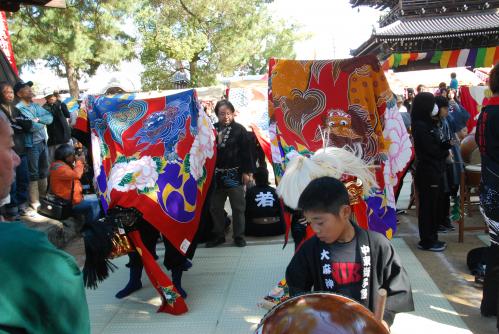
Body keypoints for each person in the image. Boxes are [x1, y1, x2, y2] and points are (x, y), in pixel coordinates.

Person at [0, 112, 90, 333]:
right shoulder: (31, 254)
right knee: (94, 208)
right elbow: (77, 175)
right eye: (10, 146)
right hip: (68, 206)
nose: (17, 158)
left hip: (71, 202)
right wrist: (80, 164)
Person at [285, 176, 414, 327]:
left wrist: (385, 319)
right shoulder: (311, 248)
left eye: (320, 222)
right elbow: (296, 285)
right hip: (328, 327)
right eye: (310, 222)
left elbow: (397, 286)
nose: (315, 229)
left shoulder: (377, 245)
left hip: (369, 326)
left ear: (345, 212)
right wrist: (307, 314)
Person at [207, 100, 254, 248]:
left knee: (238, 207)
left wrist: (247, 172)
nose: (226, 116)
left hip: (235, 174)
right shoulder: (211, 130)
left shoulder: (240, 130)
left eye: (228, 113)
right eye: (222, 114)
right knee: (215, 207)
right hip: (217, 176)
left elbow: (248, 153)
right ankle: (219, 235)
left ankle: (238, 236)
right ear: (217, 115)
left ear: (233, 113)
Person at [411, 92, 452, 251]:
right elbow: (430, 150)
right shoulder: (421, 126)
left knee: (434, 205)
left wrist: (444, 146)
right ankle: (427, 240)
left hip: (435, 169)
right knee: (428, 206)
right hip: (428, 171)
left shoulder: (428, 124)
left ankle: (432, 237)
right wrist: (444, 150)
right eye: (431, 103)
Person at [475, 63, 499, 328]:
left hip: (491, 188)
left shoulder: (486, 112)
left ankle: (489, 304)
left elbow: (482, 147)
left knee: (496, 248)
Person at [14, 80, 53, 211]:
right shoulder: (19, 108)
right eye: (27, 89)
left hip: (42, 141)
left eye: (30, 88)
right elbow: (30, 127)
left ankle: (43, 198)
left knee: (44, 170)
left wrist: (39, 120)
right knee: (33, 173)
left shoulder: (35, 105)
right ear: (19, 94)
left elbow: (50, 118)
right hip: (31, 145)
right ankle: (35, 201)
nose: (30, 90)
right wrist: (41, 122)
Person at [0, 81, 32, 219]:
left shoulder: (16, 109)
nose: (10, 95)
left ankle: (21, 205)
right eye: (6, 92)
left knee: (23, 178)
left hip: (21, 149)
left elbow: (28, 125)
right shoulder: (1, 111)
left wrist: (16, 124)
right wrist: (17, 124)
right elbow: (11, 129)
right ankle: (12, 209)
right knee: (10, 182)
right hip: (7, 152)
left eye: (11, 92)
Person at [49, 144, 102, 225]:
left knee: (99, 197)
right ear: (66, 157)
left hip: (74, 198)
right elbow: (77, 175)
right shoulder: (60, 168)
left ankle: (90, 223)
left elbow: (75, 177)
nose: (74, 157)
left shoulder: (60, 165)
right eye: (72, 155)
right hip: (69, 203)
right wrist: (79, 162)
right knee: (96, 203)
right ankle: (91, 229)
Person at [245, 167, 284, 237]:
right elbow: (280, 211)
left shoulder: (250, 191)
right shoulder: (275, 191)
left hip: (256, 229)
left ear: (254, 177)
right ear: (267, 177)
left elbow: (247, 211)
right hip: (275, 228)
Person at [43, 93, 71, 162]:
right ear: (46, 99)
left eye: (52, 96)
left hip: (65, 137)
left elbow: (67, 115)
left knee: (68, 160)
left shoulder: (60, 104)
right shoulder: (45, 107)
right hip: (54, 140)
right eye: (49, 97)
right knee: (55, 161)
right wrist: (57, 105)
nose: (51, 98)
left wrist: (61, 105)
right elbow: (52, 115)